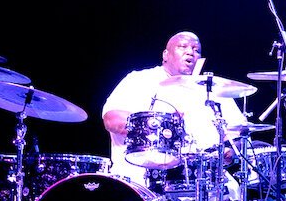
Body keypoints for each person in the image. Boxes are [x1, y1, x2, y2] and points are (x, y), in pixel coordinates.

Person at [102, 31, 248, 182]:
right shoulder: (140, 80)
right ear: (166, 54)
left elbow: (239, 134)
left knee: (232, 194)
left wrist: (230, 150)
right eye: (182, 46)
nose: (190, 52)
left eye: (196, 50)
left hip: (204, 181)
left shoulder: (213, 88)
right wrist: (162, 128)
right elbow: (112, 120)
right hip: (142, 179)